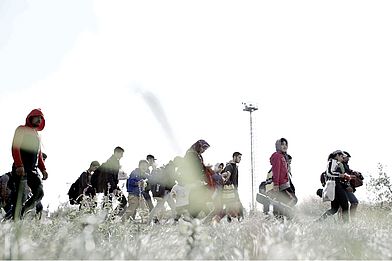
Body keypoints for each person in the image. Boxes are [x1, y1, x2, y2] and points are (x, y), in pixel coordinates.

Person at [9, 109, 48, 220]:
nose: (39, 120)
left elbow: (39, 155)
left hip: (33, 170)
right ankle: (15, 219)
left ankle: (21, 213)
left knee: (39, 192)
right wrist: (19, 165)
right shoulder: (21, 129)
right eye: (37, 117)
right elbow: (15, 148)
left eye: (41, 118)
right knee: (19, 196)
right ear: (30, 117)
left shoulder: (37, 135)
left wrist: (43, 169)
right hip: (21, 168)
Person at [181, 139, 211, 219]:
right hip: (193, 180)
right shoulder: (191, 154)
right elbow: (192, 168)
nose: (204, 151)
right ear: (198, 146)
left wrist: (205, 167)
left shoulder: (197, 154)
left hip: (198, 180)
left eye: (205, 149)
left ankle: (192, 217)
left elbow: (200, 166)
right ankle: (195, 216)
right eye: (203, 148)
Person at [319, 150, 351, 222]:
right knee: (345, 205)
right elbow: (329, 173)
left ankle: (318, 221)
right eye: (341, 156)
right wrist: (340, 175)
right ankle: (346, 224)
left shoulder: (335, 162)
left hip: (335, 185)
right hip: (335, 185)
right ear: (337, 156)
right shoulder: (332, 162)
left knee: (334, 209)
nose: (342, 158)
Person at [213, 152, 243, 223]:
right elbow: (225, 174)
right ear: (234, 157)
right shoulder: (230, 166)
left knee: (229, 208)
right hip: (230, 190)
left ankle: (217, 219)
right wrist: (226, 175)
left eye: (240, 158)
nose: (240, 159)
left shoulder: (234, 166)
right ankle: (240, 221)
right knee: (237, 206)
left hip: (233, 189)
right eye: (239, 157)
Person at [270, 138, 295, 218]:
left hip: (285, 184)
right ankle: (284, 217)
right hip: (281, 184)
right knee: (292, 200)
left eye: (285, 144)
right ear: (278, 145)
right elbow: (276, 170)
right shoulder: (277, 156)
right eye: (282, 144)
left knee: (281, 202)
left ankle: (281, 218)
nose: (284, 146)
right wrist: (276, 184)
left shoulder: (284, 156)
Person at [342, 151, 363, 218]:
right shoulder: (340, 165)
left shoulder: (345, 165)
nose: (348, 159)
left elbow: (348, 172)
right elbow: (342, 176)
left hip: (345, 187)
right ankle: (350, 220)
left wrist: (355, 173)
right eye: (347, 157)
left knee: (341, 206)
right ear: (344, 157)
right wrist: (352, 176)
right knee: (354, 202)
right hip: (344, 187)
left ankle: (343, 222)